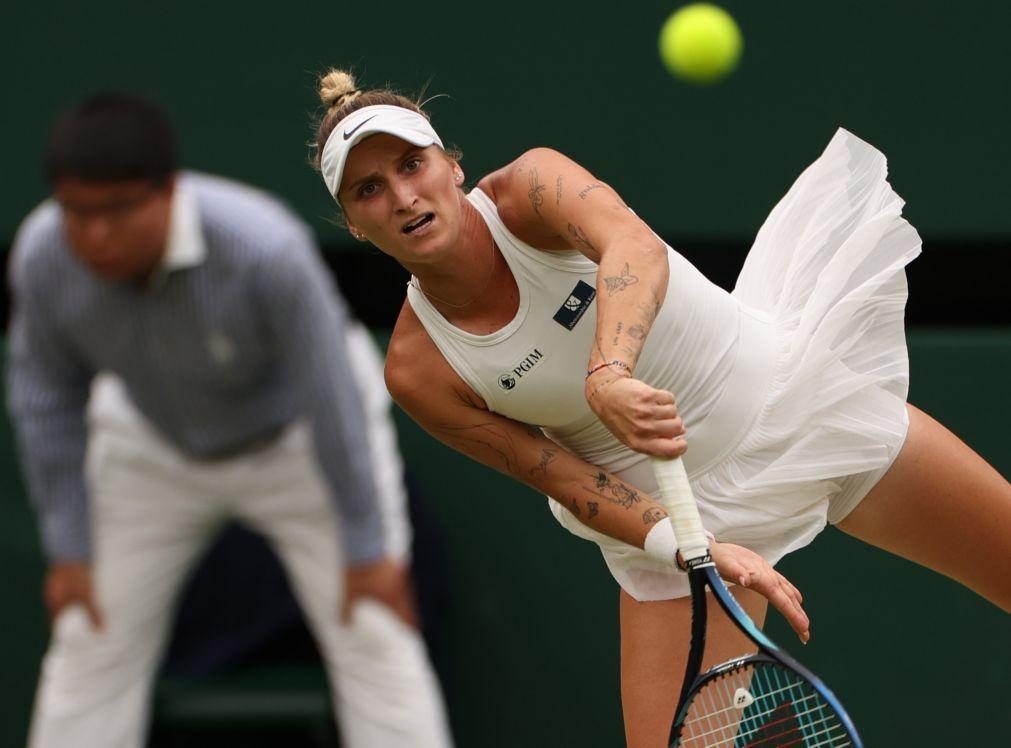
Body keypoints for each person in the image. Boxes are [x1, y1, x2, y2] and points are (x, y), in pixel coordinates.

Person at [307, 69, 1011, 748]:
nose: (401, 195)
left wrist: (607, 370)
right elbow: (556, 474)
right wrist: (689, 547)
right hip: (677, 520)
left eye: (411, 164)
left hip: (797, 401)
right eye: (369, 189)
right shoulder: (417, 367)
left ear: (451, 166)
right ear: (353, 224)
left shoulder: (529, 191)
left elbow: (633, 245)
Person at [7, 93, 454, 748]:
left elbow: (331, 394)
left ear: (167, 193)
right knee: (87, 636)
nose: (94, 235)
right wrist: (69, 547)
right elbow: (45, 402)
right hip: (150, 445)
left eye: (117, 211)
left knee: (375, 629)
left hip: (299, 439)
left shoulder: (261, 247)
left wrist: (365, 540)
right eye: (77, 212)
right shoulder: (44, 256)